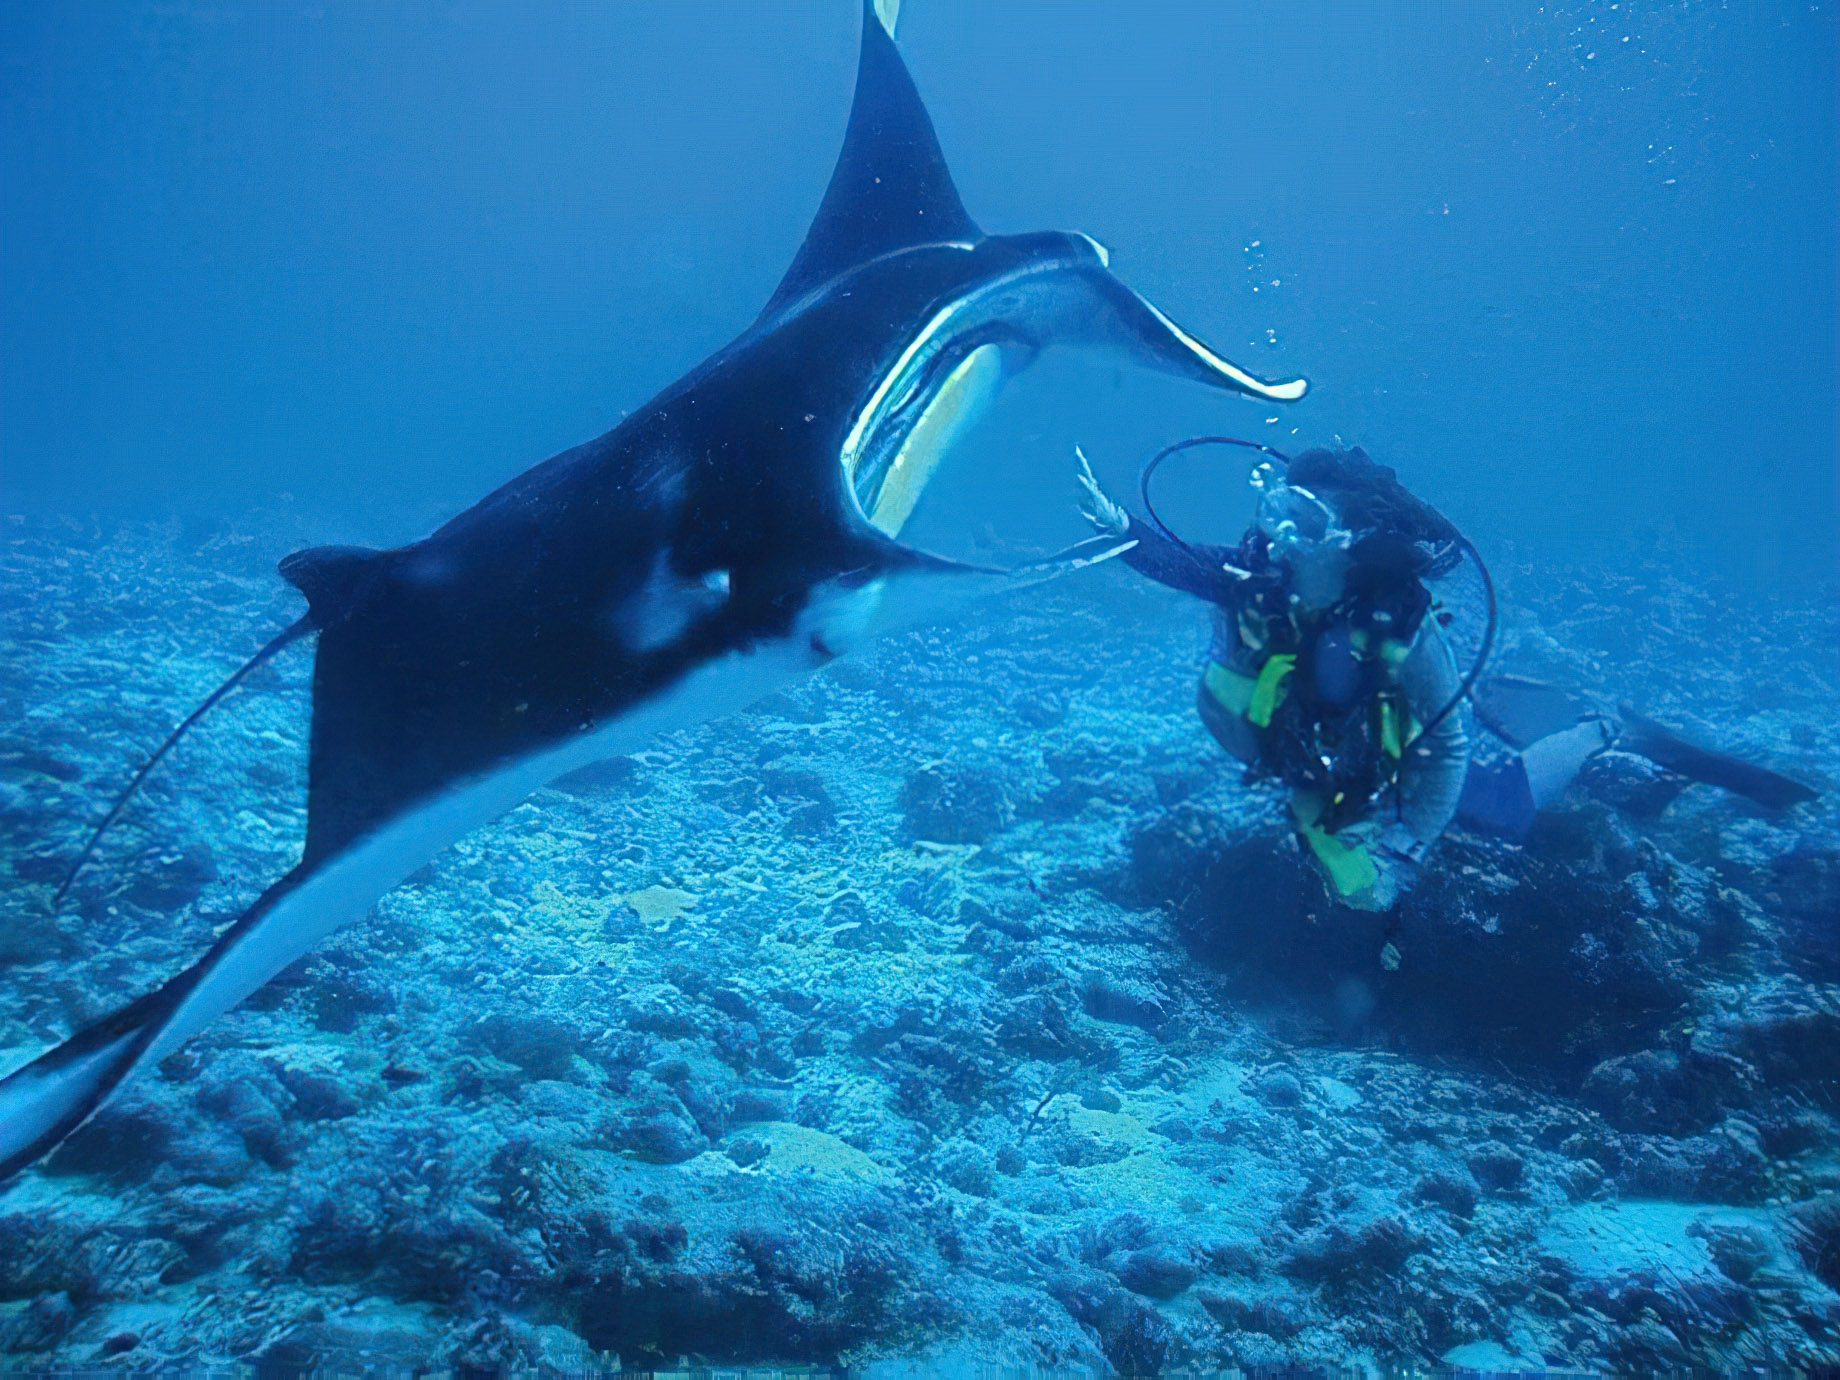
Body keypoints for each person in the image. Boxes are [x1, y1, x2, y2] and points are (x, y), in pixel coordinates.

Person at [1075, 442, 1817, 914]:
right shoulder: (1264, 576)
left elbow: (1447, 751)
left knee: (1499, 807)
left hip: (1396, 738)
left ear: (1352, 537)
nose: (1282, 535)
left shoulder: (1398, 618)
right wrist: (1121, 530)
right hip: (1330, 735)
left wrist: (1405, 849)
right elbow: (1193, 567)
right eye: (1278, 511)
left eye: (1305, 518)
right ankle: (1503, 698)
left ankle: (1602, 726)